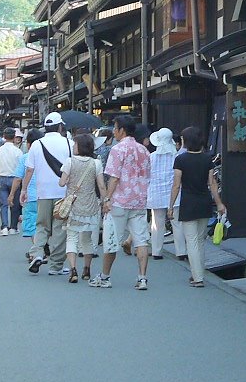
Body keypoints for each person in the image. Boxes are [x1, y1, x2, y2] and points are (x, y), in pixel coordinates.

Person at [99, 114, 153, 290]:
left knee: (112, 239)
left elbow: (113, 178)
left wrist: (107, 198)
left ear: (121, 130)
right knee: (141, 240)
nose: (114, 131)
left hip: (120, 201)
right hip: (139, 200)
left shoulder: (117, 150)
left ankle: (105, 277)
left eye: (115, 128)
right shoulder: (144, 151)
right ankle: (142, 278)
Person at [169, 125, 227, 287]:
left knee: (192, 241)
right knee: (200, 241)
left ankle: (198, 277)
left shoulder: (180, 159)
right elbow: (212, 183)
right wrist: (219, 203)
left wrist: (170, 206)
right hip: (204, 202)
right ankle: (198, 273)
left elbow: (176, 185)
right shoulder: (207, 158)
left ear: (186, 141)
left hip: (188, 203)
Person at [23, 114, 73, 274]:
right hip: (63, 192)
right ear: (60, 127)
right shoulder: (69, 143)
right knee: (60, 228)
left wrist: (23, 190)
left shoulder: (37, 144)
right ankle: (55, 266)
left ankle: (37, 253)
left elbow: (29, 169)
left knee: (42, 226)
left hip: (42, 192)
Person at [60, 131, 109, 284]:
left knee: (72, 238)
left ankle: (73, 269)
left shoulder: (69, 162)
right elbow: (101, 185)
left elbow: (62, 183)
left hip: (73, 206)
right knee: (87, 239)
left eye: (75, 144)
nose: (73, 146)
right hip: (90, 205)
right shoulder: (96, 163)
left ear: (80, 146)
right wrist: (105, 201)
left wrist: (69, 181)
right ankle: (87, 269)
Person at [146, 127, 178, 263]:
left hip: (156, 192)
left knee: (157, 223)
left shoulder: (151, 157)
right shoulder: (176, 156)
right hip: (174, 192)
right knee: (177, 222)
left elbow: (147, 175)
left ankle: (156, 251)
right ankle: (181, 251)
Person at [0, 128, 25, 236]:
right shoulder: (18, 152)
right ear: (14, 137)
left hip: (1, 177)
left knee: (3, 203)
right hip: (14, 178)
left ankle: (4, 227)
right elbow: (21, 167)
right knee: (15, 204)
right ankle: (13, 227)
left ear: (4, 136)